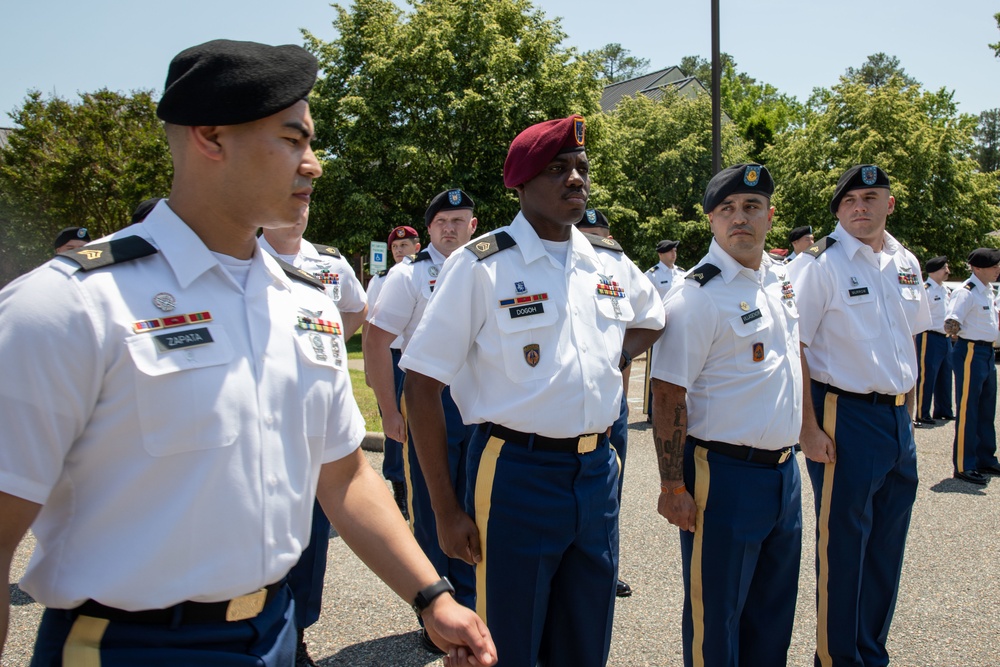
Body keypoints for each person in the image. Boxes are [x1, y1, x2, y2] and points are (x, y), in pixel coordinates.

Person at [0, 39, 495, 667]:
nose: (313, 164)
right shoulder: (69, 307)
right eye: (293, 140)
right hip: (130, 647)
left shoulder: (306, 303)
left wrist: (431, 596)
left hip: (275, 633)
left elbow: (344, 476)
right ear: (210, 137)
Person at [401, 115, 665, 667]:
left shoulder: (606, 260)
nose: (575, 180)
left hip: (596, 473)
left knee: (585, 640)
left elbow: (653, 317)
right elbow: (422, 387)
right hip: (516, 474)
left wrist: (606, 356)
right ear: (520, 184)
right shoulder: (482, 266)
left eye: (581, 169)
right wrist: (445, 512)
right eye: (557, 169)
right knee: (507, 646)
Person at [651, 163, 803, 667]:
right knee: (716, 618)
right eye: (728, 209)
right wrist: (673, 487)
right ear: (711, 221)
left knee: (772, 615)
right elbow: (669, 394)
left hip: (784, 473)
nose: (741, 218)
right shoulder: (698, 295)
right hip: (724, 476)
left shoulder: (779, 280)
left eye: (752, 208)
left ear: (769, 215)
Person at [787, 164, 931, 667]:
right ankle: (836, 657)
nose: (860, 207)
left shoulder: (903, 260)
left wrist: (907, 414)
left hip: (894, 418)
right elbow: (795, 347)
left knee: (886, 548)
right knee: (844, 547)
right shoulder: (818, 265)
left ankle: (871, 652)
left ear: (889, 204)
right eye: (849, 201)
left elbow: (911, 341)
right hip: (843, 414)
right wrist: (807, 427)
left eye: (871, 197)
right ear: (838, 210)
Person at [363, 189, 480, 652]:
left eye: (458, 220)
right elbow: (375, 342)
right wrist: (390, 411)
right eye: (440, 222)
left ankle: (471, 601)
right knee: (434, 503)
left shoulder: (482, 266)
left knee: (475, 499)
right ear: (427, 229)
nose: (449, 228)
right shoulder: (408, 275)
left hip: (477, 400)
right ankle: (436, 610)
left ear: (473, 225)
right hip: (428, 399)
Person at [258, 213, 368, 665]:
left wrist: (323, 347)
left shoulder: (328, 263)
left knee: (309, 537)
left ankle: (297, 631)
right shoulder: (243, 256)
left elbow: (357, 309)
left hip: (311, 422)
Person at [575, 208, 635, 599]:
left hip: (613, 405)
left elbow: (639, 329)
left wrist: (620, 399)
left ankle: (606, 567)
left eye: (602, 232)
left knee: (609, 492)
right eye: (589, 232)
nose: (597, 239)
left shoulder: (617, 269)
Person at [364, 224, 421, 519]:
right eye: (395, 248)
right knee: (396, 426)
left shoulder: (424, 273)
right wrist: (368, 369)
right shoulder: (381, 279)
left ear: (417, 246)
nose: (400, 250)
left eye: (405, 245)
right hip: (391, 357)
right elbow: (369, 326)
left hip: (416, 358)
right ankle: (399, 485)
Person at [943, 248, 1000, 484]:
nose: (998, 269)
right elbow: (950, 323)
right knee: (968, 410)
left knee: (987, 409)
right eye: (994, 265)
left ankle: (985, 458)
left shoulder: (987, 290)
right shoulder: (966, 292)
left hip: (986, 352)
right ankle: (964, 465)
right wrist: (962, 339)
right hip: (971, 352)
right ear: (978, 268)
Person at [644, 239, 683, 423]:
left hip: (679, 326)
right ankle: (653, 410)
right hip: (659, 326)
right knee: (656, 367)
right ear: (661, 254)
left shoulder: (682, 273)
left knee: (677, 367)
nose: (673, 254)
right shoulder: (652, 275)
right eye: (669, 251)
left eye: (674, 250)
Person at [914, 255, 954, 426]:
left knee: (945, 375)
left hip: (945, 338)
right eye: (944, 268)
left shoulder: (945, 290)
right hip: (929, 336)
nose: (947, 271)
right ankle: (922, 413)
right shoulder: (925, 289)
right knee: (927, 375)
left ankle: (943, 410)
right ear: (934, 271)